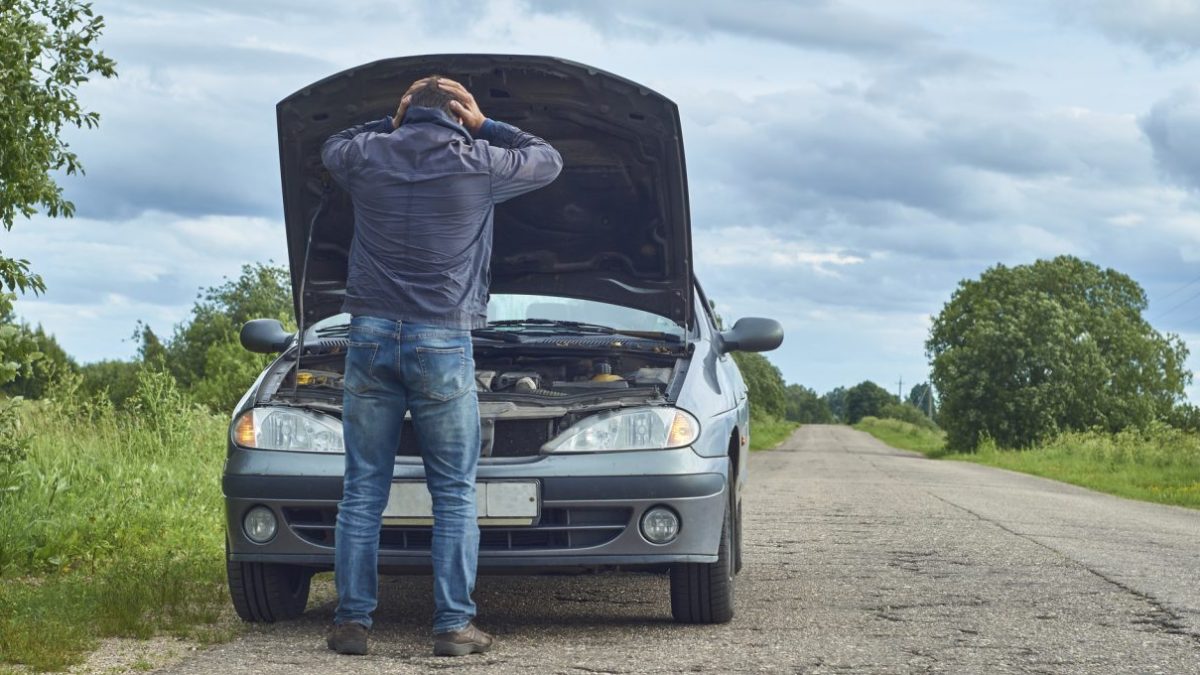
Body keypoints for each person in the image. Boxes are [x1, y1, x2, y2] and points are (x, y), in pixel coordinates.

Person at [319, 76, 562, 657]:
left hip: (370, 335)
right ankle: (453, 627)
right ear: (458, 113)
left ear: (407, 109)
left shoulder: (369, 153)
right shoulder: (480, 160)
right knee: (452, 492)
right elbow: (548, 159)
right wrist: (486, 124)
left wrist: (390, 121)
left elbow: (332, 145)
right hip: (443, 341)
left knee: (362, 490)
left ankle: (352, 622)